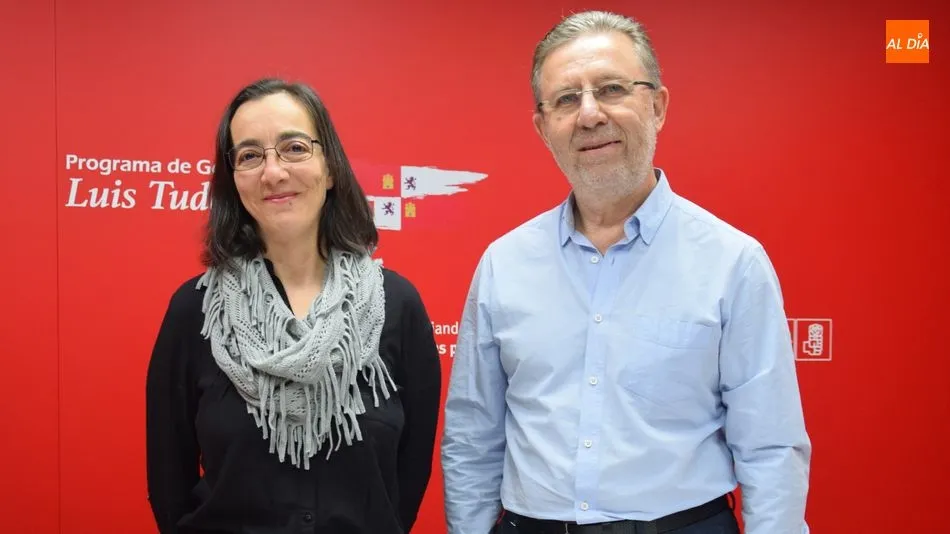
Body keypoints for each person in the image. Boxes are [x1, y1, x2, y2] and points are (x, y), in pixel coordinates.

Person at [441, 10, 811, 534]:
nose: (590, 114)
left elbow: (770, 448)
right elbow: (473, 436)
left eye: (612, 89)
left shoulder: (733, 262)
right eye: (566, 99)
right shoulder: (505, 263)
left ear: (657, 106)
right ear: (543, 127)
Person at [146, 78, 442, 534]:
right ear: (233, 182)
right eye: (249, 156)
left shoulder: (396, 305)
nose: (273, 172)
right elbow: (169, 475)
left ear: (329, 169)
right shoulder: (195, 310)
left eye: (294, 148)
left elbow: (408, 473)